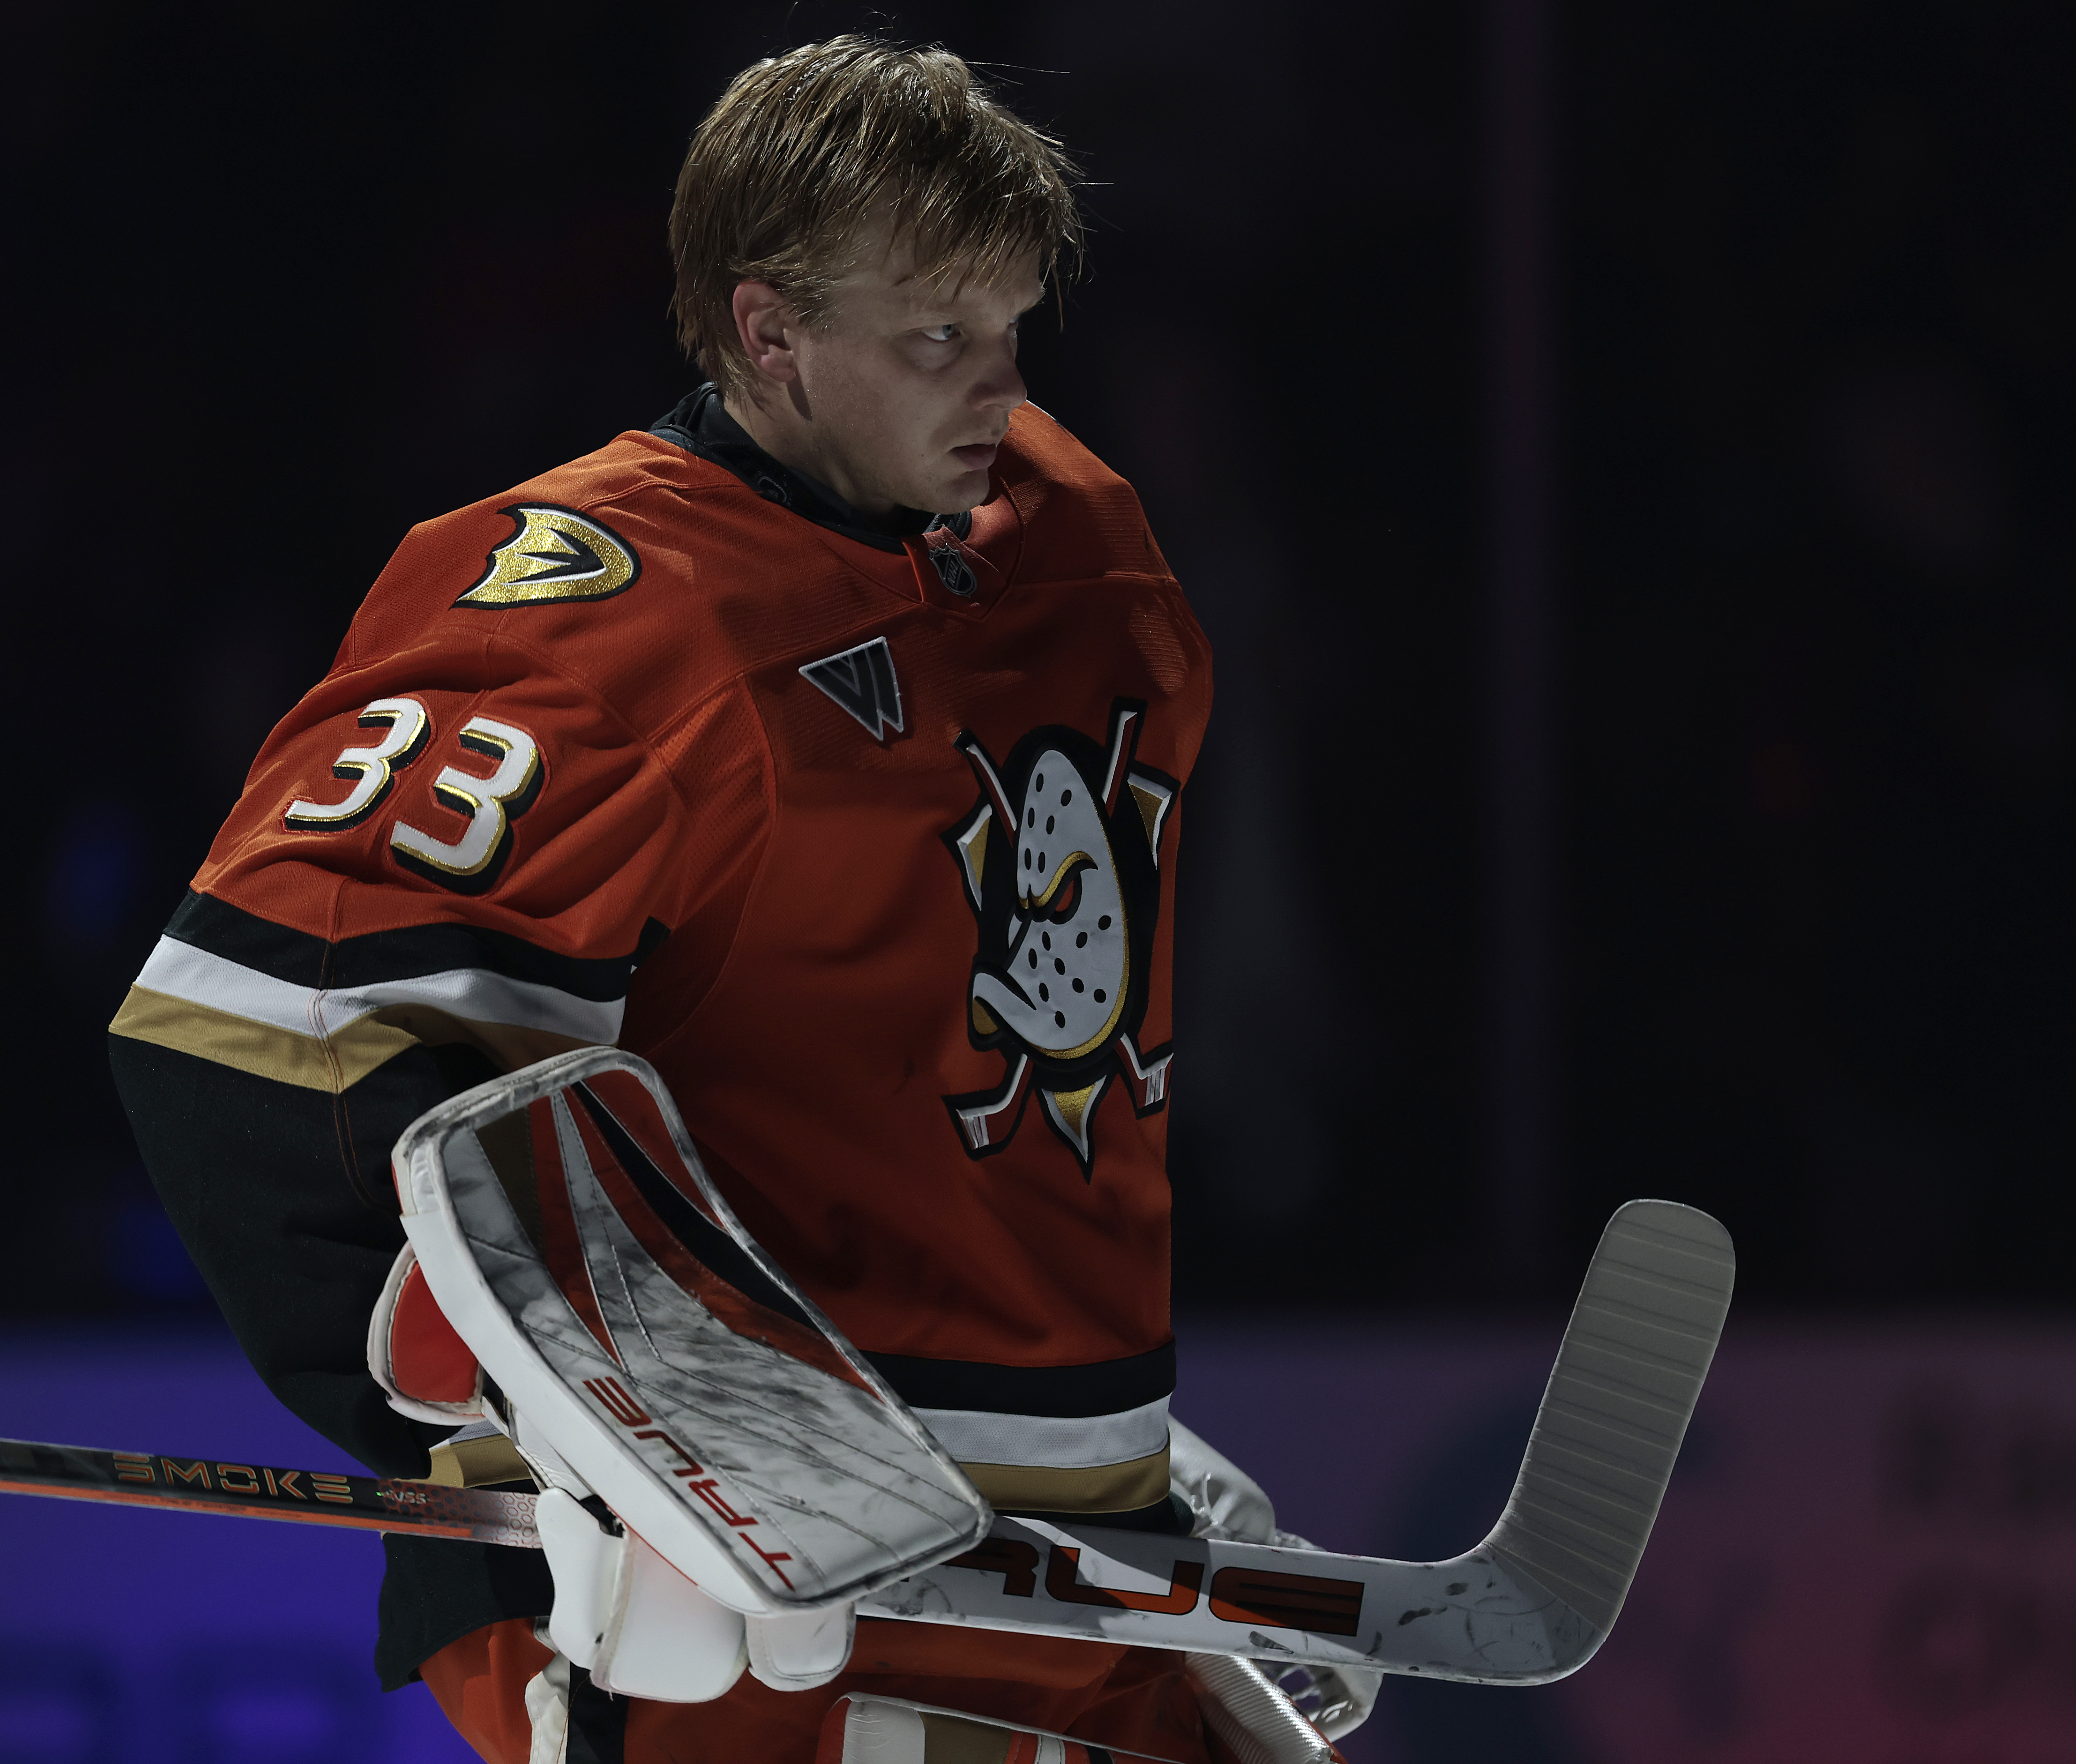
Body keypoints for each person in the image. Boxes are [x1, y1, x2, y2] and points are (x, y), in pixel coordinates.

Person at [110, 35, 1356, 1762]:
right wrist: (584, 1432)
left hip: (1066, 1572)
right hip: (734, 1621)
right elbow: (265, 1041)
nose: (998, 387)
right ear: (770, 334)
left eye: (1012, 327)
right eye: (937, 336)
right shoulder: (602, 611)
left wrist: (1116, 1452)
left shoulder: (1087, 547)